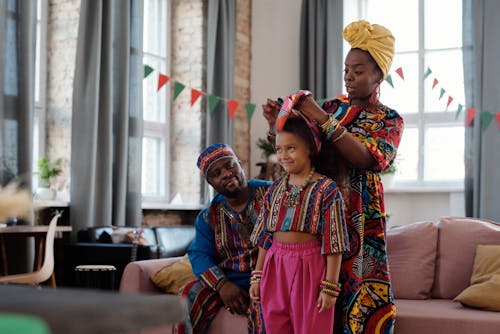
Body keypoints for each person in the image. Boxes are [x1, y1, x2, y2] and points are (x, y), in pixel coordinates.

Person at [261, 20, 404, 333]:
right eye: (346, 70)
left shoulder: (389, 119)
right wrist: (278, 124)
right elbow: (304, 146)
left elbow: (367, 158)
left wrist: (322, 119)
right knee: (313, 293)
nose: (349, 77)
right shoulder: (331, 106)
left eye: (359, 71)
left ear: (379, 74)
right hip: (319, 208)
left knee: (358, 289)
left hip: (359, 213)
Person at [249, 114, 349, 334]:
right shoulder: (273, 189)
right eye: (279, 149)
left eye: (291, 148)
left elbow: (334, 243)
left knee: (312, 328)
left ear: (310, 149)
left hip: (309, 266)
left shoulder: (327, 190)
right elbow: (265, 237)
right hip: (275, 266)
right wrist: (257, 275)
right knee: (276, 326)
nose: (283, 155)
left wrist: (330, 287)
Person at [178, 143, 271, 334]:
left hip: (270, 276)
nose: (226, 174)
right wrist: (222, 285)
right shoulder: (207, 216)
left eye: (230, 165)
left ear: (240, 164)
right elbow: (199, 254)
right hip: (231, 278)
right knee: (189, 295)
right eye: (216, 173)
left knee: (266, 306)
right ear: (211, 183)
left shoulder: (271, 194)